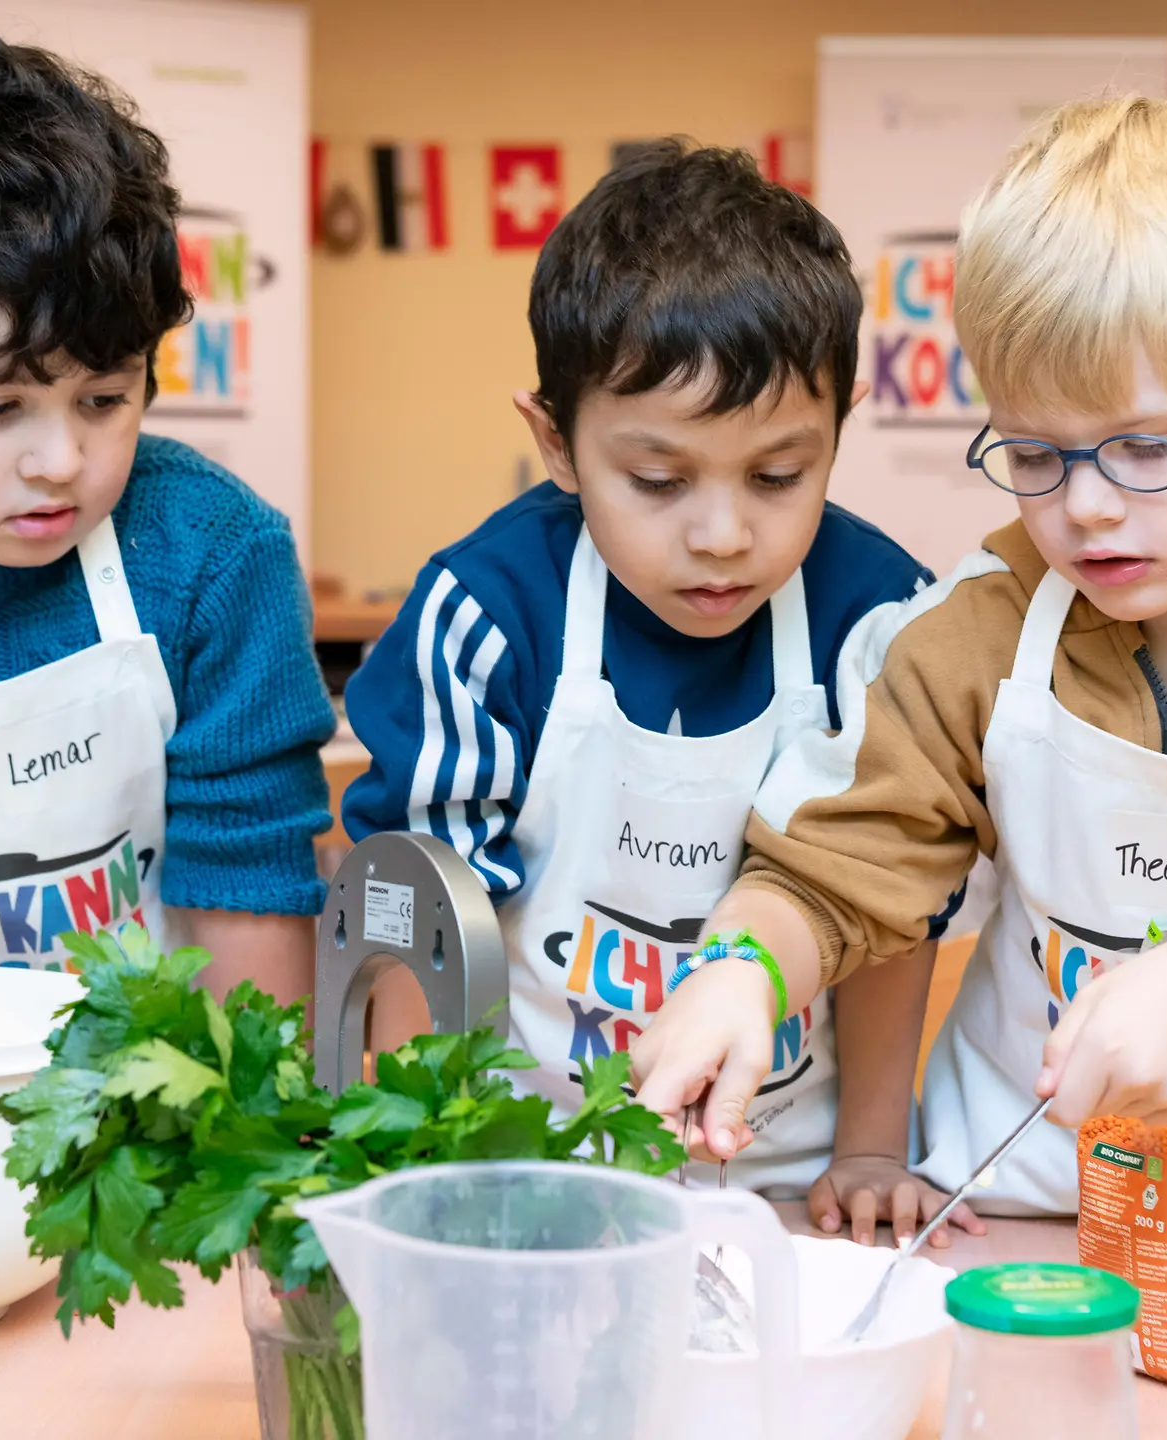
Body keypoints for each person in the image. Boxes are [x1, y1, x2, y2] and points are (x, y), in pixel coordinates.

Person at [633, 94, 1167, 1227]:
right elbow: (835, 871)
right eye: (1034, 451)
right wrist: (743, 972)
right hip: (1026, 1214)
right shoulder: (976, 634)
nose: (1085, 508)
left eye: (1147, 447)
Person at [343, 140, 958, 1193]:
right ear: (557, 441)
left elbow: (890, 917)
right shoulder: (487, 617)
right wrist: (433, 1167)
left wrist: (866, 1154)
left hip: (790, 1176)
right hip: (535, 1168)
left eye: (777, 474)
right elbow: (427, 907)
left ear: (840, 427)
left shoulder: (882, 618)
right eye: (658, 479)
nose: (722, 534)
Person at [0, 28, 334, 1001]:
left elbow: (249, 908)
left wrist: (245, 1139)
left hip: (145, 1116)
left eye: (105, 400)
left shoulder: (212, 552)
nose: (62, 462)